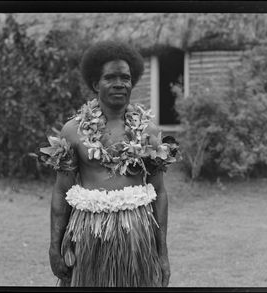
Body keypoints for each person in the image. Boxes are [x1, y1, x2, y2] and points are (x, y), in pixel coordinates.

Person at [38, 41, 179, 287]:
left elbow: (159, 192)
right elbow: (62, 191)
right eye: (110, 77)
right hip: (87, 236)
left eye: (125, 78)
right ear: (95, 84)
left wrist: (162, 251)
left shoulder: (149, 132)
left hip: (136, 237)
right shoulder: (73, 131)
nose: (119, 83)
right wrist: (54, 247)